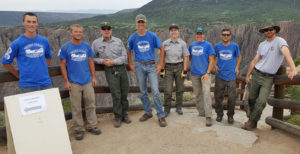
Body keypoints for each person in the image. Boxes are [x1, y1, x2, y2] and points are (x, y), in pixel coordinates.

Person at [242, 25, 297, 130]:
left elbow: (286, 53)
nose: (268, 31)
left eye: (270, 29)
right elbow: (255, 60)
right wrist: (248, 74)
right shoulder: (262, 44)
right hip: (257, 73)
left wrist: (293, 68)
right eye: (265, 30)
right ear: (263, 33)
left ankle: (251, 122)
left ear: (275, 30)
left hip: (268, 78)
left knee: (262, 101)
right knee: (252, 98)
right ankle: (253, 120)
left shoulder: (280, 41)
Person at [58, 24, 101, 140]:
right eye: (76, 32)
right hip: (74, 82)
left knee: (90, 104)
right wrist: (66, 81)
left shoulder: (86, 46)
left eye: (80, 32)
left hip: (87, 81)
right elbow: (62, 65)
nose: (78, 34)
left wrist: (94, 77)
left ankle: (92, 126)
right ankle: (78, 129)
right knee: (76, 107)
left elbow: (91, 62)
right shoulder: (65, 47)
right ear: (71, 33)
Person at [127, 14, 167, 127]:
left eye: (142, 22)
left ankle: (161, 115)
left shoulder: (152, 36)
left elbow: (162, 48)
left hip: (151, 66)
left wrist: (161, 64)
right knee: (143, 91)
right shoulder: (132, 37)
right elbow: (128, 50)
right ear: (136, 23)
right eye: (139, 22)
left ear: (146, 23)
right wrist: (130, 64)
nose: (140, 24)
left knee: (155, 91)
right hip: (139, 66)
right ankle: (148, 112)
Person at [1, 12, 53, 93]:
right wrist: (17, 75)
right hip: (27, 86)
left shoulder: (44, 41)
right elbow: (5, 62)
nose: (31, 24)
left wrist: (43, 70)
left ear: (37, 24)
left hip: (46, 83)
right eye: (28, 22)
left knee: (49, 106)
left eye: (34, 22)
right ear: (23, 23)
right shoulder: (17, 43)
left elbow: (49, 56)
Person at [92, 22, 131, 128]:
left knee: (124, 92)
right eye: (104, 29)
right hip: (109, 70)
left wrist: (113, 62)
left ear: (111, 30)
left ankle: (125, 114)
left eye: (108, 28)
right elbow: (93, 58)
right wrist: (102, 61)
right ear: (100, 31)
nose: (106, 30)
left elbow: (124, 56)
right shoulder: (96, 43)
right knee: (116, 93)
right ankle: (118, 117)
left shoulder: (118, 41)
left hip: (121, 68)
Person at [189, 26, 215, 127]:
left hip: (205, 74)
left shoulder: (208, 45)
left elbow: (212, 59)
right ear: (196, 35)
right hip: (194, 74)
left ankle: (208, 116)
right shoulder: (192, 45)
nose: (199, 35)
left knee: (206, 93)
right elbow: (190, 57)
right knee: (198, 93)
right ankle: (201, 112)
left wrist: (207, 72)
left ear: (204, 35)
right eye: (197, 34)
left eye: (201, 34)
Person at [214, 28, 242, 124]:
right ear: (221, 35)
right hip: (220, 75)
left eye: (227, 34)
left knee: (232, 97)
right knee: (218, 96)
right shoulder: (217, 46)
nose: (225, 36)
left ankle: (230, 116)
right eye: (224, 34)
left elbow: (239, 56)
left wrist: (237, 67)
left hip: (231, 76)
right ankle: (219, 114)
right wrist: (215, 65)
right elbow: (213, 56)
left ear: (230, 36)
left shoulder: (234, 46)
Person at [162, 24, 189, 117]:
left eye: (175, 30)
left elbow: (185, 57)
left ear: (178, 32)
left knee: (180, 89)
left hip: (179, 67)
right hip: (168, 68)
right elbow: (162, 57)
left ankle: (179, 107)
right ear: (169, 32)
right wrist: (162, 69)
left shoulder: (182, 43)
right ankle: (166, 109)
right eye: (172, 30)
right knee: (168, 90)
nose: (174, 32)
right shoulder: (165, 43)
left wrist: (185, 70)